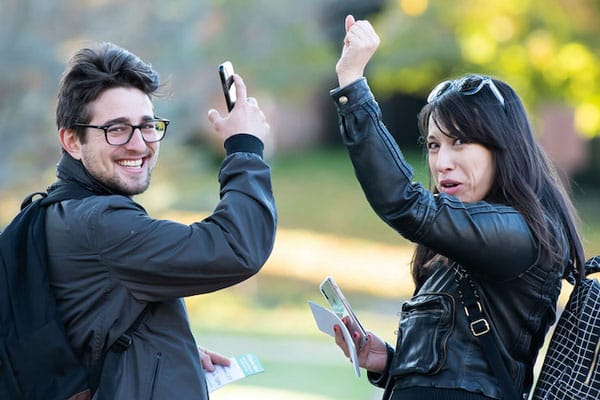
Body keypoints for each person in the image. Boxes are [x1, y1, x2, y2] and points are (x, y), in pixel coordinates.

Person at [330, 15, 585, 399]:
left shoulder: (521, 234)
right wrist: (391, 361)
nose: (441, 161)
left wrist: (353, 83)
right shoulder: (465, 240)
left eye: (460, 142)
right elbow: (460, 367)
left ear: (503, 148)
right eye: (434, 145)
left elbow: (405, 204)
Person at [45, 42, 276, 399]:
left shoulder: (59, 210)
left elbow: (88, 328)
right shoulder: (100, 224)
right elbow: (236, 248)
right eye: (117, 129)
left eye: (148, 125)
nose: (139, 144)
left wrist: (164, 352)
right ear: (72, 141)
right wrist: (245, 148)